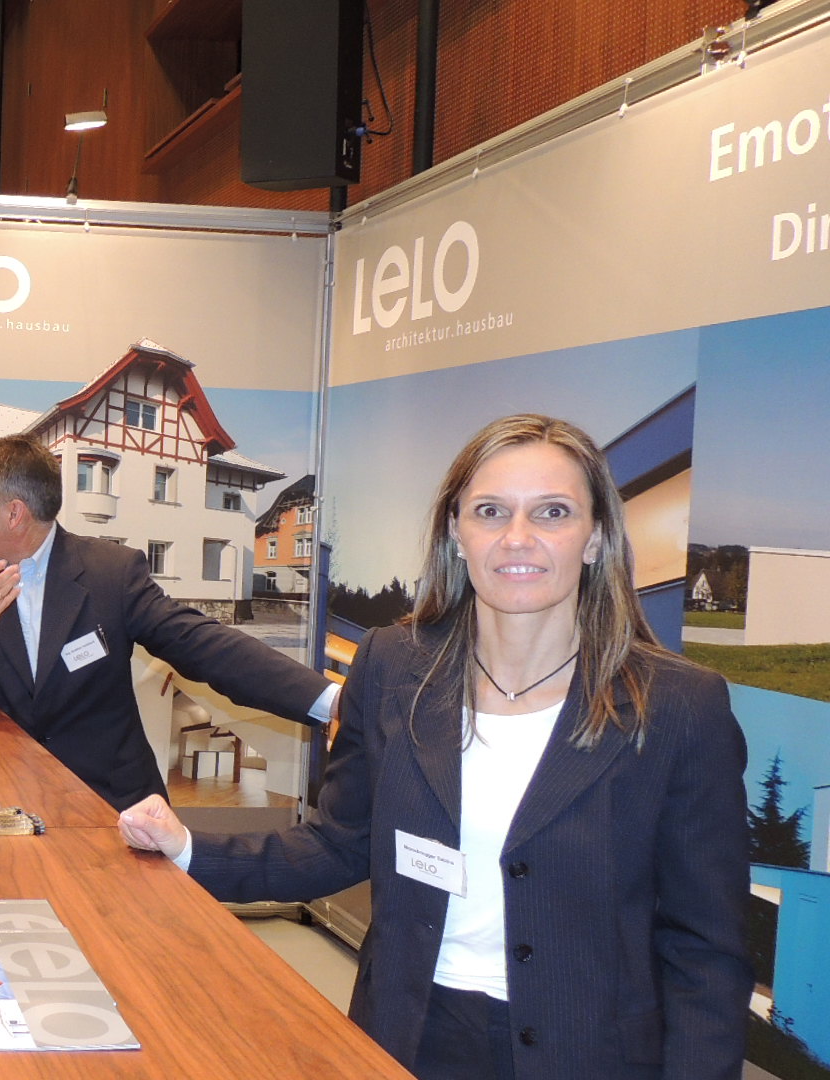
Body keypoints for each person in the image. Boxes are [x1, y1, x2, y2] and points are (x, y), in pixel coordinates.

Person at [119, 414, 751, 1080]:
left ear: (595, 537)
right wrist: (188, 849)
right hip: (409, 1033)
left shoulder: (678, 706)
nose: (517, 538)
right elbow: (339, 843)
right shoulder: (393, 666)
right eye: (490, 511)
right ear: (456, 531)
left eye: (552, 512)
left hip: (589, 1052)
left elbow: (705, 950)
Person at [0, 434, 337, 811]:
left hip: (114, 803)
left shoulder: (111, 572)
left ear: (14, 513)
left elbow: (201, 644)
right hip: (9, 798)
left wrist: (331, 701)